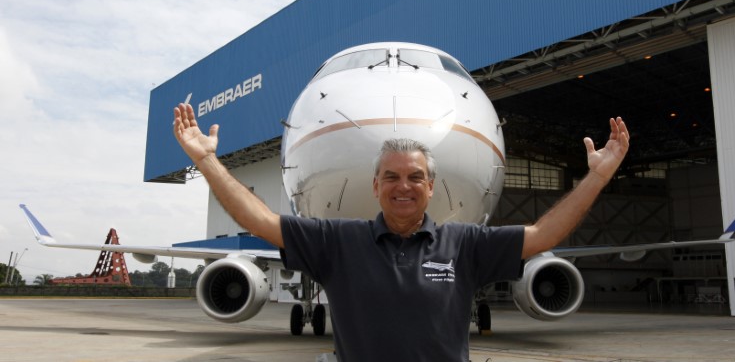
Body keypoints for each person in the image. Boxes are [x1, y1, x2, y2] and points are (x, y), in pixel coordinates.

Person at [173, 103, 629, 361]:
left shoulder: (465, 244)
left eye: (414, 177)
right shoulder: (339, 242)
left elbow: (544, 235)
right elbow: (260, 222)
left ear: (430, 186)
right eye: (390, 177)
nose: (402, 186)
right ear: (376, 186)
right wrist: (207, 160)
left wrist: (597, 177)